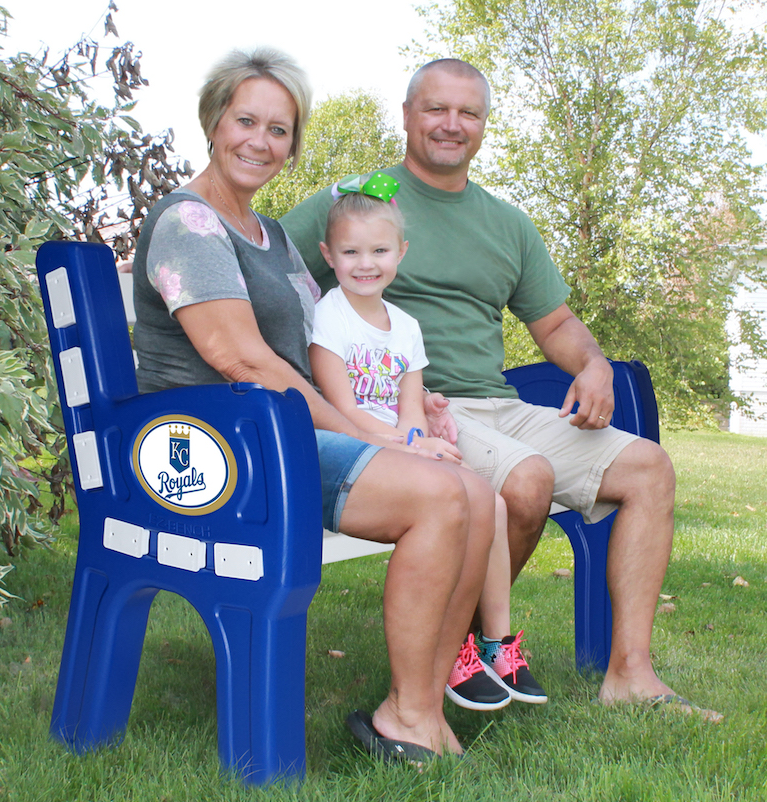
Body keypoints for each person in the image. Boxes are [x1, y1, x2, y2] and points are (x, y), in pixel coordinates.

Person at [282, 58, 722, 721]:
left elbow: (556, 323)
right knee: (526, 481)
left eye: (469, 113)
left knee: (648, 469)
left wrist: (593, 363)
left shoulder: (506, 223)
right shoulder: (358, 204)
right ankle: (463, 651)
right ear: (407, 116)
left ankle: (630, 673)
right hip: (416, 408)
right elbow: (267, 270)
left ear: (484, 126)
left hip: (503, 403)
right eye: (436, 109)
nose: (451, 124)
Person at [131, 46, 503, 761]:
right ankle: (414, 715)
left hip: (281, 430)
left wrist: (412, 408)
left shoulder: (269, 236)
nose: (260, 141)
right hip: (220, 446)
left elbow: (321, 349)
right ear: (214, 121)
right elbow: (241, 358)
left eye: (279, 129)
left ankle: (416, 705)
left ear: (293, 144)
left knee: (476, 493)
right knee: (437, 496)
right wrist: (381, 440)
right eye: (247, 120)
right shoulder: (189, 222)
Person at [308, 174, 546, 708]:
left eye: (379, 250)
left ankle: (495, 644)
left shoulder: (407, 327)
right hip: (359, 447)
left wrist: (420, 439)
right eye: (350, 251)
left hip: (402, 445)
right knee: (455, 497)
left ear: (401, 252)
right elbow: (342, 408)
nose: (365, 263)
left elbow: (410, 403)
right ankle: (449, 652)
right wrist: (411, 447)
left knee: (493, 501)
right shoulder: (329, 316)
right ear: (328, 254)